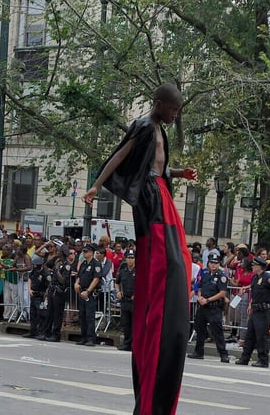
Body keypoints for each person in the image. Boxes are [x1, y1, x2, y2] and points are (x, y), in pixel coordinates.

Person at [82, 83, 195, 414]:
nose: (175, 116)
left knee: (180, 259)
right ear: (158, 104)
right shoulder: (145, 125)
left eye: (178, 111)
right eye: (172, 110)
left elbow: (159, 167)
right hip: (150, 195)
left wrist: (181, 173)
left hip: (160, 188)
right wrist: (96, 185)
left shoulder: (160, 128)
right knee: (170, 260)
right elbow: (121, 154)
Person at [187, 252, 229, 362]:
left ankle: (223, 354)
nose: (213, 265)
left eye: (215, 263)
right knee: (199, 329)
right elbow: (199, 287)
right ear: (208, 263)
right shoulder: (205, 273)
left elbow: (222, 292)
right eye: (211, 263)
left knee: (217, 331)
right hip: (203, 306)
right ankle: (198, 352)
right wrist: (200, 297)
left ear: (218, 264)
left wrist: (208, 300)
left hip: (214, 307)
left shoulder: (221, 276)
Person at [237, 258, 270, 367]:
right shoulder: (255, 277)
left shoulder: (268, 278)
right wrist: (250, 304)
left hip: (264, 311)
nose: (252, 267)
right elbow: (255, 292)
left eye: (254, 265)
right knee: (250, 335)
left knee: (262, 336)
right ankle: (244, 358)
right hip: (255, 310)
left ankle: (263, 360)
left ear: (260, 266)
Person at [75, 243, 103, 346]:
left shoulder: (96, 264)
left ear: (91, 252)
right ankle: (84, 337)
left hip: (89, 293)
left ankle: (91, 338)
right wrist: (76, 284)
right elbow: (79, 276)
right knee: (82, 315)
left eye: (86, 251)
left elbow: (96, 279)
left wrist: (88, 291)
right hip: (82, 292)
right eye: (83, 251)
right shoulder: (83, 264)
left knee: (89, 316)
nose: (84, 253)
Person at [117, 249, 138, 351]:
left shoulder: (139, 271)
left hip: (135, 301)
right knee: (126, 324)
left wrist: (137, 294)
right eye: (128, 258)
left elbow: (144, 285)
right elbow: (117, 282)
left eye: (132, 258)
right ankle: (126, 343)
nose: (130, 260)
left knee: (135, 324)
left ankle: (134, 344)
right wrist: (118, 291)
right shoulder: (123, 270)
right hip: (125, 300)